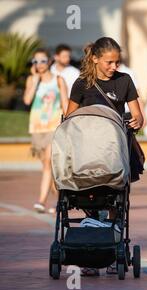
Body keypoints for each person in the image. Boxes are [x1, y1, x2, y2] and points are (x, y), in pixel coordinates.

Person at [66, 37, 144, 276]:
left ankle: (112, 249)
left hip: (116, 149)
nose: (114, 67)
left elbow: (139, 117)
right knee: (91, 196)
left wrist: (137, 121)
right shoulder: (82, 84)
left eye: (117, 62)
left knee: (116, 199)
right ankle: (92, 247)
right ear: (95, 59)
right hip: (88, 151)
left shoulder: (124, 81)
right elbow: (70, 118)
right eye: (109, 62)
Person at [23, 48, 68, 214]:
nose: (39, 64)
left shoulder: (58, 80)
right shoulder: (32, 80)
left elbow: (65, 103)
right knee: (47, 167)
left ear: (49, 61)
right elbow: (27, 100)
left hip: (54, 126)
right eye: (35, 61)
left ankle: (41, 201)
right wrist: (35, 79)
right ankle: (59, 200)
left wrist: (68, 121)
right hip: (37, 128)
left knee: (49, 163)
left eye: (42, 60)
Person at [50, 44, 80, 112]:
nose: (68, 59)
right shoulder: (50, 70)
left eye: (68, 56)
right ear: (56, 57)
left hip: (68, 108)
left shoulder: (75, 73)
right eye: (64, 56)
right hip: (50, 108)